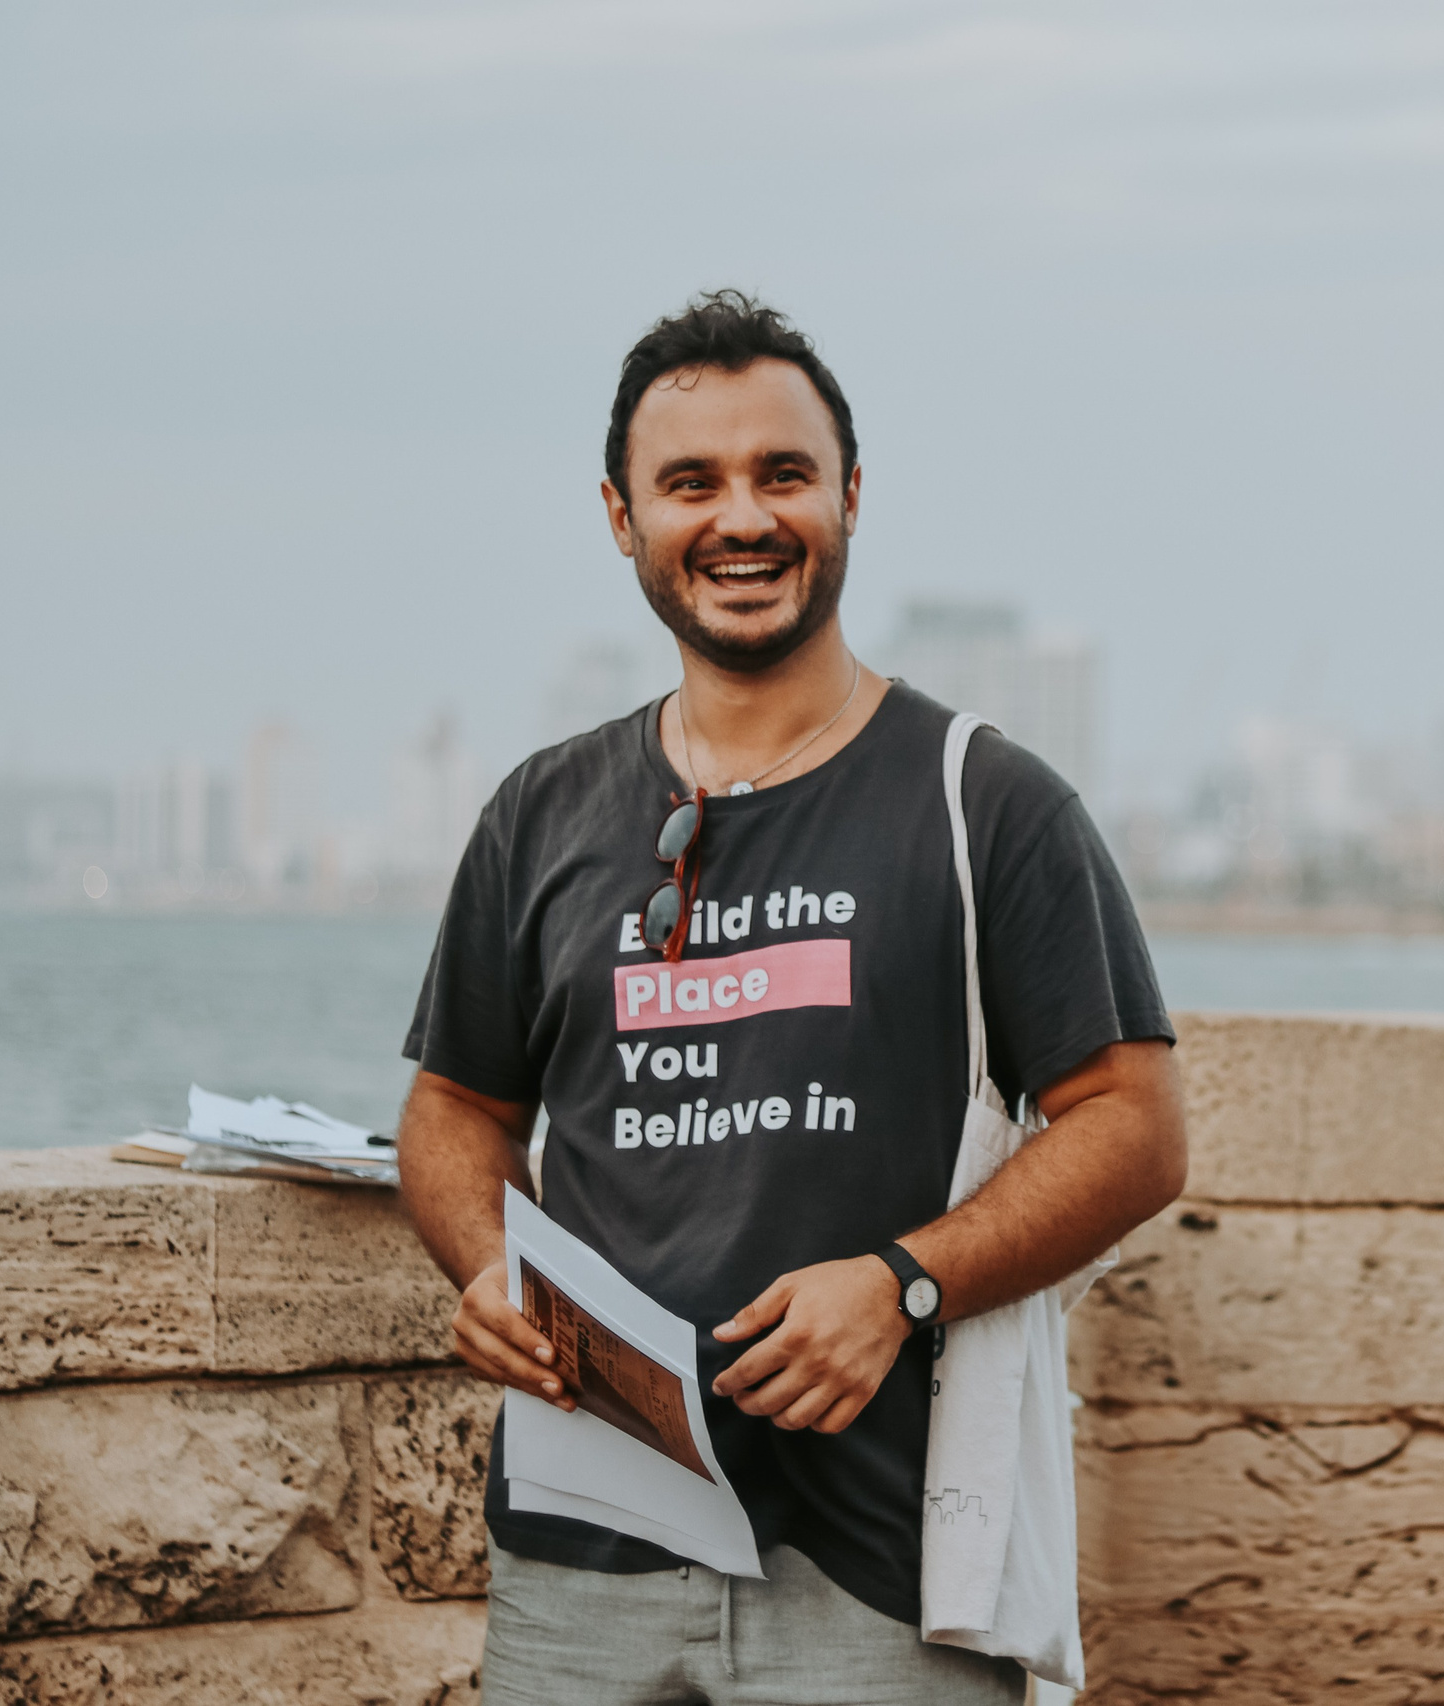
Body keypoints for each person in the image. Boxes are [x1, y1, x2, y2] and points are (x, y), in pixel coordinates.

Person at [396, 290, 1186, 1705]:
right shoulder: (542, 812)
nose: (741, 518)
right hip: (582, 1557)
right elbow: (455, 1107)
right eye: (690, 482)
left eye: (783, 474)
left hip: (876, 1575)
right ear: (621, 516)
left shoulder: (983, 802)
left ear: (850, 497)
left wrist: (903, 1283)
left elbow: (1134, 1124)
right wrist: (485, 1264)